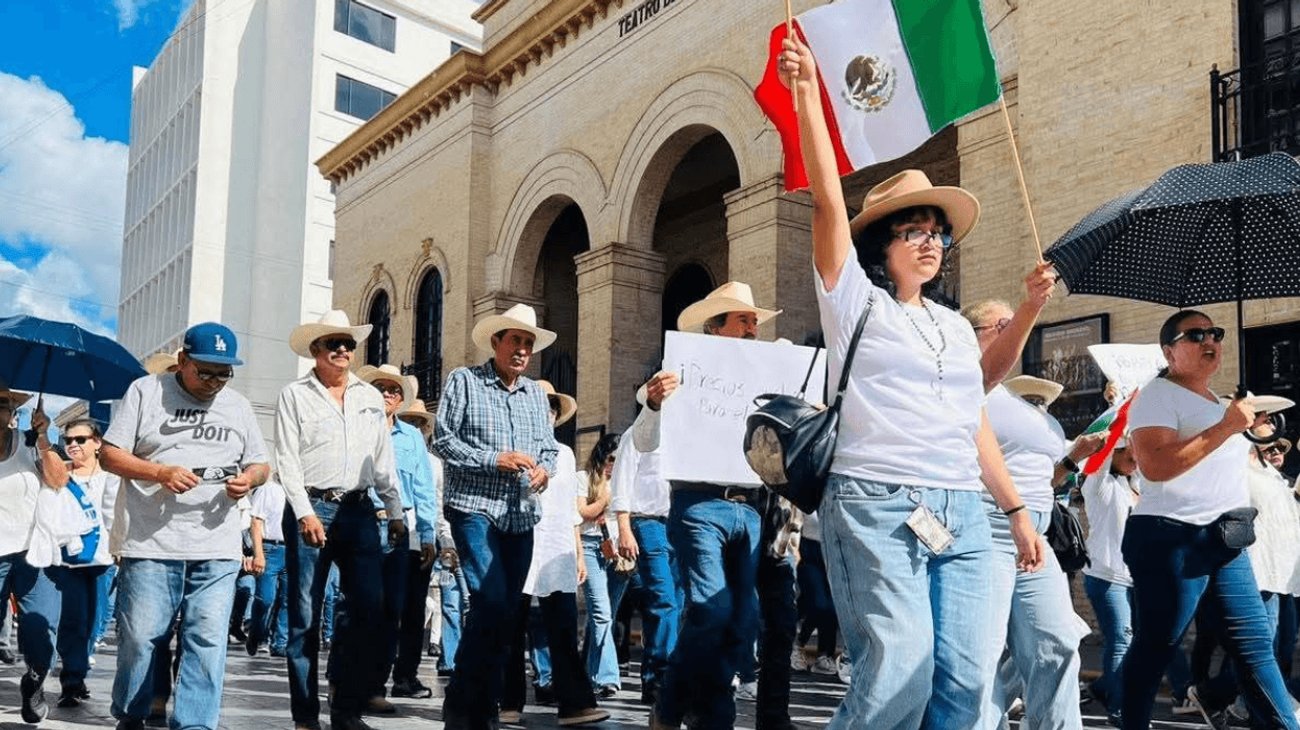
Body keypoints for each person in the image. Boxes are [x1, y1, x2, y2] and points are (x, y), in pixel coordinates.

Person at [778, 37, 1045, 728]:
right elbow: (828, 208)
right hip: (876, 501)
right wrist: (808, 95)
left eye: (938, 233)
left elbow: (976, 404)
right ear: (883, 246)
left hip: (960, 509)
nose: (929, 241)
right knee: (900, 669)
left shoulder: (957, 326)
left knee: (963, 683)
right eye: (912, 230)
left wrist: (1015, 511)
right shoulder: (854, 304)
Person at [1121, 310, 1298, 729]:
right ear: (1169, 351)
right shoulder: (1156, 395)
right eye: (1194, 334)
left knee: (1255, 647)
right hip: (1171, 540)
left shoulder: (1219, 403)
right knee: (1157, 646)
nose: (1209, 340)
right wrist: (1224, 427)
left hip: (1224, 540)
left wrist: (1242, 426)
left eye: (1214, 333)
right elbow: (1156, 466)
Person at [100, 322, 270, 730]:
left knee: (207, 641)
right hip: (152, 544)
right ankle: (132, 712)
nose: (214, 382)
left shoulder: (239, 406)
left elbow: (262, 463)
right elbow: (109, 455)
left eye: (223, 373)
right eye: (205, 371)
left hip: (217, 545)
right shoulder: (145, 391)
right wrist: (159, 472)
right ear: (182, 361)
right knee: (141, 639)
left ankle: (195, 724)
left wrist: (250, 479)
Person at [632, 280, 782, 729]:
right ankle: (672, 703)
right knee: (710, 609)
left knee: (742, 619)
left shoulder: (764, 375)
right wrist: (654, 404)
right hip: (700, 504)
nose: (754, 329)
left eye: (755, 321)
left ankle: (712, 715)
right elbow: (642, 442)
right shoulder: (680, 374)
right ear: (716, 329)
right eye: (744, 321)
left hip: (750, 508)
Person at [966, 286, 1101, 729]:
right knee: (980, 656)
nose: (1015, 332)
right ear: (971, 335)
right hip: (985, 527)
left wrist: (1072, 457)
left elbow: (1048, 477)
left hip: (1034, 533)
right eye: (1002, 326)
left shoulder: (1019, 406)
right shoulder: (968, 386)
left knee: (1057, 641)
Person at [274, 310, 407, 730]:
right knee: (304, 616)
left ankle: (346, 707)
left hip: (360, 508)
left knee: (369, 608)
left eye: (349, 343)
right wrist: (305, 512)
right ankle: (305, 716)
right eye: (335, 344)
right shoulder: (294, 395)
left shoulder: (369, 397)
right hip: (312, 507)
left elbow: (382, 460)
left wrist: (396, 511)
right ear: (315, 351)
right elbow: (286, 461)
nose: (344, 350)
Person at [434, 303, 558, 728]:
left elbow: (549, 448)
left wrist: (545, 469)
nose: (522, 350)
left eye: (528, 343)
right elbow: (443, 441)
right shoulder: (464, 381)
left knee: (505, 612)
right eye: (515, 341)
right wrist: (494, 459)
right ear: (495, 343)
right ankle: (472, 707)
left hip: (520, 514)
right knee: (489, 600)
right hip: (474, 508)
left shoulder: (537, 395)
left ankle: (471, 702)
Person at [502, 382, 609, 726]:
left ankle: (574, 704)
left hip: (557, 546)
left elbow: (569, 511)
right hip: (519, 539)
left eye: (551, 406)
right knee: (512, 625)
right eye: (540, 404)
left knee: (563, 626)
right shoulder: (513, 448)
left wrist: (578, 554)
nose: (546, 411)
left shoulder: (563, 453)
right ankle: (509, 701)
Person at [356, 365, 442, 704]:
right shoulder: (360, 429)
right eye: (381, 388)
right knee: (377, 608)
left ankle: (405, 676)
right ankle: (371, 682)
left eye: (394, 390)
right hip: (371, 523)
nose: (388, 395)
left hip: (408, 530)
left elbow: (424, 490)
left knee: (412, 607)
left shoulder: (412, 438)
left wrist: (429, 536)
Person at [0, 382, 68, 724]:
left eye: (2, 403)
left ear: (13, 412)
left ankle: (35, 683)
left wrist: (44, 437)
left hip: (32, 555)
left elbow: (59, 480)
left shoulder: (29, 443)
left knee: (42, 634)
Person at [48, 419, 120, 707]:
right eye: (68, 440)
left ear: (97, 442)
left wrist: (121, 547)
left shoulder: (112, 477)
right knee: (73, 619)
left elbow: (118, 515)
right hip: (68, 559)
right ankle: (72, 678)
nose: (73, 445)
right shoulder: (60, 475)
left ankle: (80, 670)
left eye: (81, 439)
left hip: (103, 558)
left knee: (95, 621)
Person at [609, 408, 677, 707]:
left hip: (682, 523)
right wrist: (624, 527)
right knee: (663, 600)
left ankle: (669, 674)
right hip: (648, 522)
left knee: (681, 601)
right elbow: (620, 482)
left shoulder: (686, 436)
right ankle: (658, 679)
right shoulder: (634, 435)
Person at [577, 432, 629, 696]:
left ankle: (587, 671)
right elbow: (580, 513)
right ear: (601, 456)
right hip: (590, 545)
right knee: (601, 613)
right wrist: (605, 501)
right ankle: (608, 677)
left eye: (619, 461)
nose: (614, 466)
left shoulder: (625, 481)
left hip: (619, 553)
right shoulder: (583, 479)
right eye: (611, 459)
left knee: (606, 617)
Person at [245, 479, 290, 657]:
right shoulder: (268, 489)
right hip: (271, 548)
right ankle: (257, 635)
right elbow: (256, 522)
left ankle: (280, 643)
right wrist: (258, 554)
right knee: (265, 598)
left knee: (288, 599)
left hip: (292, 549)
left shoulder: (300, 490)